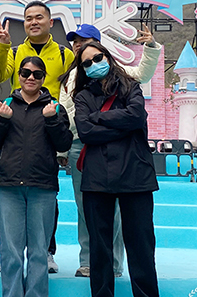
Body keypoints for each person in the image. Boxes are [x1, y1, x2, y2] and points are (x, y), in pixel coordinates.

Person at [73, 42, 165, 297]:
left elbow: (136, 116)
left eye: (97, 58)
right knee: (100, 245)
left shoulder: (131, 87)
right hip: (97, 176)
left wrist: (99, 118)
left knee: (141, 242)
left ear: (108, 57)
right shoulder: (82, 96)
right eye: (86, 63)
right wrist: (121, 126)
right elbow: (85, 131)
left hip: (136, 173)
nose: (93, 64)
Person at [59, 23, 162, 278]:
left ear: (99, 46)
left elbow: (142, 73)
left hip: (114, 146)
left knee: (113, 209)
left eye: (84, 41)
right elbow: (67, 116)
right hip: (79, 146)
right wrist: (62, 151)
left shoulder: (117, 72)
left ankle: (114, 263)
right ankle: (88, 261)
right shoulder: (70, 77)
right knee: (86, 208)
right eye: (75, 42)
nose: (78, 46)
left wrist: (150, 47)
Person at [0, 56, 73, 297]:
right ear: (18, 76)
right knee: (10, 249)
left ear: (44, 78)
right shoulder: (4, 105)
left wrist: (52, 120)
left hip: (42, 187)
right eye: (25, 73)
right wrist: (1, 120)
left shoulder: (54, 107)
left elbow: (64, 143)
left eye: (36, 74)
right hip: (9, 186)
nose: (30, 78)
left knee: (38, 249)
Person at [0, 0, 75, 273]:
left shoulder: (64, 54)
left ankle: (47, 251)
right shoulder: (16, 51)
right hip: (18, 122)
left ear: (50, 22)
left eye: (39, 17)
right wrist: (2, 45)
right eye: (28, 18)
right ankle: (15, 256)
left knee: (47, 192)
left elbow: (75, 84)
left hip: (51, 122)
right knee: (16, 194)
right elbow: (0, 74)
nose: (33, 22)